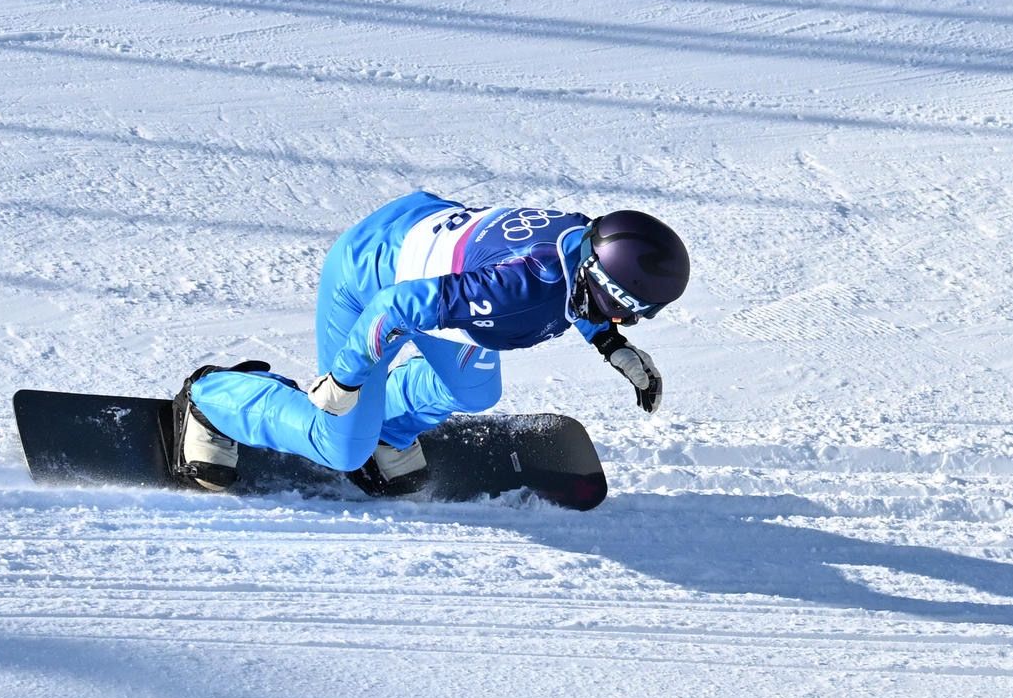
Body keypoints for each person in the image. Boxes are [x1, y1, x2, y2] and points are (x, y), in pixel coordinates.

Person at [170, 191, 689, 493]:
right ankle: (214, 400)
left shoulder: (581, 242)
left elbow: (576, 294)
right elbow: (393, 308)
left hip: (431, 270)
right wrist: (345, 380)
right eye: (621, 308)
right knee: (340, 447)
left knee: (474, 391)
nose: (623, 319)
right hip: (369, 278)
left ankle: (387, 429)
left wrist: (609, 343)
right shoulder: (516, 289)